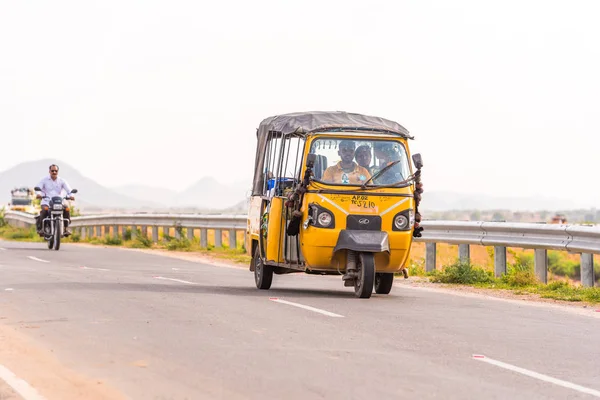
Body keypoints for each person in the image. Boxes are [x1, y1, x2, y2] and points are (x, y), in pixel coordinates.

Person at [35, 164, 75, 236]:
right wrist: (38, 194)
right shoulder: (44, 180)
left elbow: (69, 190)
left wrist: (71, 196)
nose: (54, 172)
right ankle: (41, 228)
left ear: (58, 172)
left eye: (55, 171)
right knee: (44, 210)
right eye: (52, 170)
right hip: (46, 201)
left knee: (67, 209)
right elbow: (38, 188)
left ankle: (65, 228)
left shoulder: (62, 181)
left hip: (59, 202)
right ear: (49, 171)